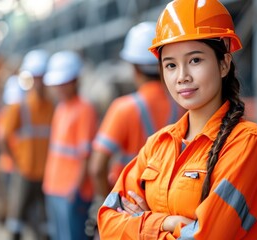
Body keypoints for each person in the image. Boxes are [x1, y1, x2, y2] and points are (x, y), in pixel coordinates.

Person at [97, 0, 257, 239]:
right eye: (170, 65)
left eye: (195, 60)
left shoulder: (245, 143)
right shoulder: (157, 144)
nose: (182, 77)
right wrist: (168, 222)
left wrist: (143, 222)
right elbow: (107, 223)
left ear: (224, 64)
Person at [87, 21, 183, 238]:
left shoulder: (123, 108)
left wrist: (106, 205)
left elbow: (96, 168)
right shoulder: (184, 109)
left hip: (128, 212)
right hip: (168, 214)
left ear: (134, 67)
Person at [0, 49, 54, 240]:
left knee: (45, 223)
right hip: (24, 173)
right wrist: (16, 162)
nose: (39, 83)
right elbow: (2, 137)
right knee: (16, 220)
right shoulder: (20, 107)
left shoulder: (52, 106)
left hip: (46, 176)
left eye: (42, 78)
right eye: (35, 78)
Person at [42, 51, 97, 240]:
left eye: (63, 83)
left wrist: (75, 190)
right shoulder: (61, 108)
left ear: (74, 81)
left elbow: (85, 155)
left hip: (71, 192)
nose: (58, 88)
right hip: (53, 187)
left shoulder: (84, 110)